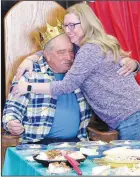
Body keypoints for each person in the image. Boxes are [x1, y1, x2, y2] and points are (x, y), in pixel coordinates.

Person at [12, 3, 140, 140]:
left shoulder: (89, 50)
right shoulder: (86, 47)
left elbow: (67, 86)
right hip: (129, 115)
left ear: (86, 23)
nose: (68, 30)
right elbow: (51, 49)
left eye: (72, 25)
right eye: (65, 26)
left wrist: (28, 87)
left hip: (131, 116)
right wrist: (31, 58)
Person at [2, 28, 93, 144]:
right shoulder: (30, 73)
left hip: (76, 144)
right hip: (37, 144)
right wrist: (11, 123)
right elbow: (12, 108)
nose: (69, 57)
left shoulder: (80, 72)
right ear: (47, 55)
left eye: (71, 51)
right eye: (61, 52)